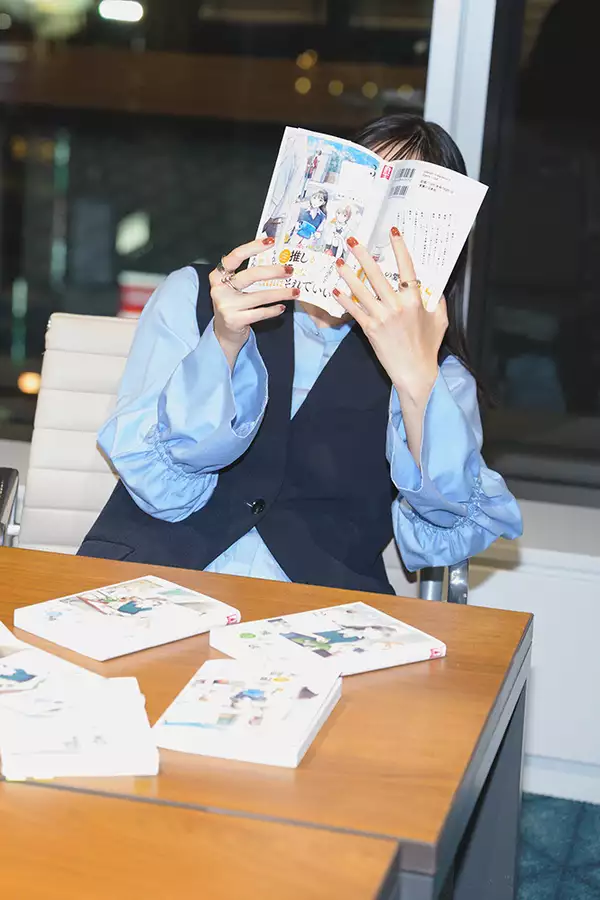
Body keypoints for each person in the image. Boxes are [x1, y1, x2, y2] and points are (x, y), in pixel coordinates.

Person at [79, 114, 522, 595]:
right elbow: (165, 489)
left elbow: (441, 536)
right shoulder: (195, 295)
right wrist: (225, 342)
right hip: (153, 583)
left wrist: (416, 380)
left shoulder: (440, 375)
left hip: (322, 613)